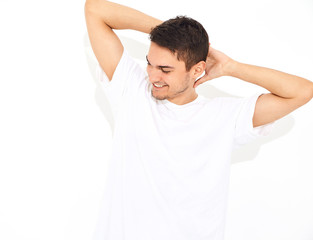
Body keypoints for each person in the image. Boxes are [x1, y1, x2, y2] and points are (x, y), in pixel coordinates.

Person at [84, 1, 313, 240]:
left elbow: (302, 91)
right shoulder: (131, 88)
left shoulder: (224, 116)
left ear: (197, 70)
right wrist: (171, 33)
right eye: (150, 64)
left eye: (165, 69)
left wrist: (232, 67)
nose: (153, 75)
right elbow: (95, 9)